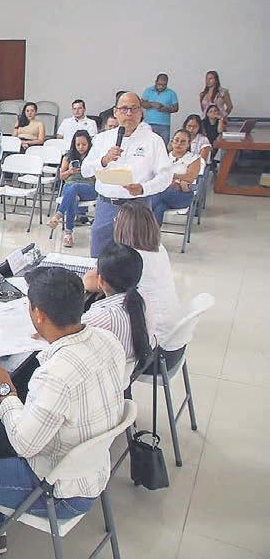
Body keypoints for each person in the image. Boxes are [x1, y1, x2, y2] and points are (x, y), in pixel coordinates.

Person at [0, 267, 125, 559]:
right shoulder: (107, 340)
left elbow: (24, 444)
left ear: (39, 315)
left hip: (58, 490)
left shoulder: (55, 375)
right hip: (90, 469)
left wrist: (5, 389)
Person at [81, 91, 172, 258]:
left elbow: (166, 176)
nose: (129, 113)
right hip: (106, 205)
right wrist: (104, 160)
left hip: (137, 205)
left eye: (134, 109)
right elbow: (85, 170)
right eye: (124, 109)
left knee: (137, 258)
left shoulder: (153, 141)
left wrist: (143, 188)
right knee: (100, 258)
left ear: (141, 112)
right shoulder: (102, 139)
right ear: (115, 112)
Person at [106, 200, 182, 352]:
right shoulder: (159, 248)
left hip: (154, 344)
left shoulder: (130, 258)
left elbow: (93, 282)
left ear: (124, 228)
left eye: (117, 220)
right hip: (173, 337)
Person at [82, 243, 154, 386]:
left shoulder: (101, 317)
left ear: (100, 280)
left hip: (100, 384)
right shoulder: (144, 298)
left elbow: (63, 337)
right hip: (127, 373)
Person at [48, 130, 96, 248]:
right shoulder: (68, 156)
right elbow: (61, 176)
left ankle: (58, 215)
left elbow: (99, 176)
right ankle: (68, 235)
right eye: (78, 144)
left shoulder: (94, 156)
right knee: (73, 197)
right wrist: (70, 171)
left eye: (84, 144)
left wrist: (88, 172)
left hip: (88, 188)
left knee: (74, 188)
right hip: (70, 187)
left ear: (89, 144)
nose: (81, 147)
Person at [148, 130, 202, 224]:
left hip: (183, 194)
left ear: (188, 144)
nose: (179, 144)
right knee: (159, 207)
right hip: (163, 192)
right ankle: (152, 232)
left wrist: (168, 177)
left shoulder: (194, 158)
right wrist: (173, 179)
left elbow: (189, 178)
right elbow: (154, 174)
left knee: (155, 196)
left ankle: (139, 217)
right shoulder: (164, 156)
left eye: (183, 142)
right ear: (172, 141)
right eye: (176, 140)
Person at [141, 73, 179, 143]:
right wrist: (152, 104)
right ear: (156, 82)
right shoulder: (148, 91)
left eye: (164, 85)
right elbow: (142, 104)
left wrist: (165, 108)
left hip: (164, 125)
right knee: (147, 144)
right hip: (148, 123)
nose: (161, 87)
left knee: (163, 144)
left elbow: (176, 108)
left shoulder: (171, 93)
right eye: (159, 84)